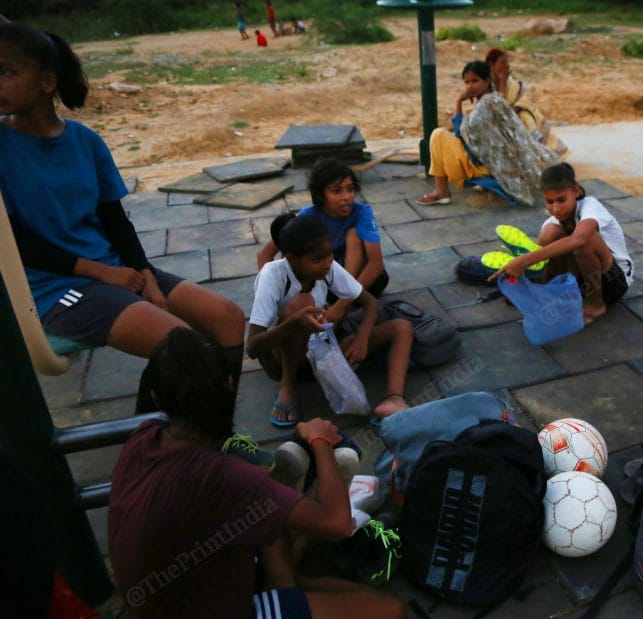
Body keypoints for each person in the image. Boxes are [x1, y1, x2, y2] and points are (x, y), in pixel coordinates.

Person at [109, 327, 405, 619]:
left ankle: (284, 579)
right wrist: (321, 441)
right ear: (230, 384)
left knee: (264, 494)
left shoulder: (143, 437)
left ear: (156, 397)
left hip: (156, 604)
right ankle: (288, 585)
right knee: (387, 610)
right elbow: (337, 524)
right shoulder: (221, 478)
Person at [0, 23, 245, 379]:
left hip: (115, 269)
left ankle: (212, 425)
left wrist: (144, 274)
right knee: (186, 350)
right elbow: (15, 245)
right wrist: (102, 272)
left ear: (47, 82)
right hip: (52, 288)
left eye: (6, 72)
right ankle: (174, 432)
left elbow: (114, 219)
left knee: (227, 318)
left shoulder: (85, 141)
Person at [247, 214, 412, 426]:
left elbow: (370, 303)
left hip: (321, 348)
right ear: (290, 258)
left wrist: (362, 338)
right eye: (317, 259)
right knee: (303, 304)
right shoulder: (273, 276)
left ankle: (394, 399)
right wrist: (295, 321)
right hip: (284, 359)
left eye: (329, 254)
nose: (327, 264)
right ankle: (288, 388)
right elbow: (252, 348)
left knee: (402, 327)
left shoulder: (327, 266)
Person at [488, 162, 633, 326]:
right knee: (549, 235)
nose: (556, 208)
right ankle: (558, 293)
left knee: (585, 239)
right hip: (581, 283)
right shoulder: (553, 222)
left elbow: (579, 240)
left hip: (613, 280)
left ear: (576, 191)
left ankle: (595, 304)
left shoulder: (591, 207)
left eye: (561, 200)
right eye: (549, 202)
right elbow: (551, 255)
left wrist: (526, 260)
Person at [416, 60, 559, 207]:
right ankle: (443, 190)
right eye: (466, 82)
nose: (470, 86)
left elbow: (461, 133)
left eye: (475, 81)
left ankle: (441, 191)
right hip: (497, 162)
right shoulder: (493, 98)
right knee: (445, 138)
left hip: (485, 165)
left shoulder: (486, 103)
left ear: (487, 80)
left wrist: (459, 101)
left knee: (438, 135)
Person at [257, 158, 389, 298]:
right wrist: (271, 293)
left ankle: (346, 293)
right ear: (321, 195)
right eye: (336, 191)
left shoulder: (362, 212)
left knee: (354, 235)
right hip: (324, 281)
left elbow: (376, 263)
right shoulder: (307, 217)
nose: (347, 197)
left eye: (350, 189)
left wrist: (346, 301)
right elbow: (265, 254)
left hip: (363, 283)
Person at [485, 47, 568, 159]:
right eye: (502, 63)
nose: (506, 66)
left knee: (527, 116)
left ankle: (543, 152)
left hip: (516, 111)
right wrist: (503, 84)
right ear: (492, 64)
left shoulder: (511, 82)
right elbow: (498, 105)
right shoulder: (486, 83)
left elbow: (524, 93)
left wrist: (517, 107)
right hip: (498, 117)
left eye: (507, 62)